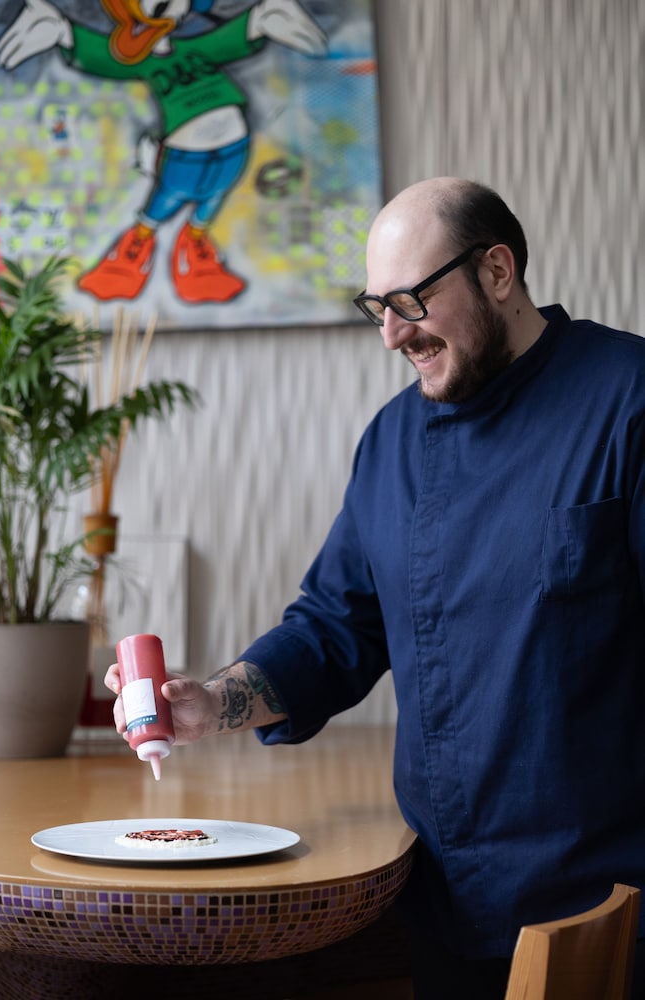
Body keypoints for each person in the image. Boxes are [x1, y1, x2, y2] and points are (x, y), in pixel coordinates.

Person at [106, 177, 645, 999]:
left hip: (609, 909)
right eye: (376, 307)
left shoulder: (627, 398)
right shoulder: (392, 441)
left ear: (497, 271)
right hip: (447, 901)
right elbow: (333, 629)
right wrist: (211, 704)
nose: (391, 334)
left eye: (410, 302)